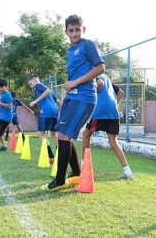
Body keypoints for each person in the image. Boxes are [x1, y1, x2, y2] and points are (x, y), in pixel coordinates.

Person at [42, 15, 105, 190]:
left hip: (84, 97)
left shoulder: (87, 45)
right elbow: (76, 74)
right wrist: (69, 86)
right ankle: (76, 173)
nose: (75, 33)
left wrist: (76, 83)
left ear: (83, 29)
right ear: (66, 31)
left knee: (64, 136)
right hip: (72, 97)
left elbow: (100, 68)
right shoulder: (70, 51)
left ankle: (60, 179)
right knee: (63, 133)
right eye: (71, 30)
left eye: (78, 29)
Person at [83, 74, 134, 179]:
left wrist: (87, 92)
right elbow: (120, 92)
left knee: (86, 134)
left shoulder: (94, 74)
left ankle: (83, 166)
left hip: (100, 111)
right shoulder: (107, 77)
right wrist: (113, 104)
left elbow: (99, 83)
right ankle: (128, 171)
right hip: (113, 112)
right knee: (113, 142)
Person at [28, 75, 59, 163]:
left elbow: (47, 91)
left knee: (40, 133)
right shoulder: (46, 89)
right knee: (53, 133)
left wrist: (35, 101)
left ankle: (51, 156)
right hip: (55, 112)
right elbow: (58, 101)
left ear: (34, 79)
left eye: (30, 84)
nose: (31, 86)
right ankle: (59, 155)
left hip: (46, 111)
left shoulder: (38, 85)